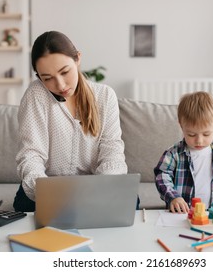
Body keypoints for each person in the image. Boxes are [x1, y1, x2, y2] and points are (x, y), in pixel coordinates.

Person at [13, 31, 128, 212]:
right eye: (47, 78)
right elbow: (31, 155)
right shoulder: (36, 95)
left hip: (93, 187)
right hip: (46, 188)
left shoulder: (105, 95)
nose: (60, 86)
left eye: (65, 72)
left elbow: (112, 150)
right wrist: (49, 193)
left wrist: (102, 189)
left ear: (77, 59)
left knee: (131, 202)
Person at [154, 91, 213, 213]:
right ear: (181, 126)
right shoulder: (174, 154)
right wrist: (173, 197)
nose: (199, 140)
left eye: (206, 134)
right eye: (191, 134)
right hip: (182, 213)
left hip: (212, 213)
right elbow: (162, 176)